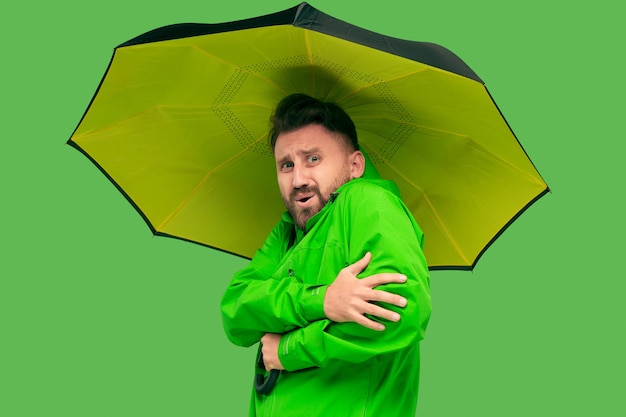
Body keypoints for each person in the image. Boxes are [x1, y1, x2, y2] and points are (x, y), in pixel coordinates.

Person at [220, 93, 431, 416]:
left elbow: (400, 312)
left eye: (313, 159)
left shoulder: (368, 203)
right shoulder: (286, 231)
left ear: (355, 164)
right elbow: (235, 312)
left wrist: (288, 349)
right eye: (286, 165)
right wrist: (322, 301)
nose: (299, 179)